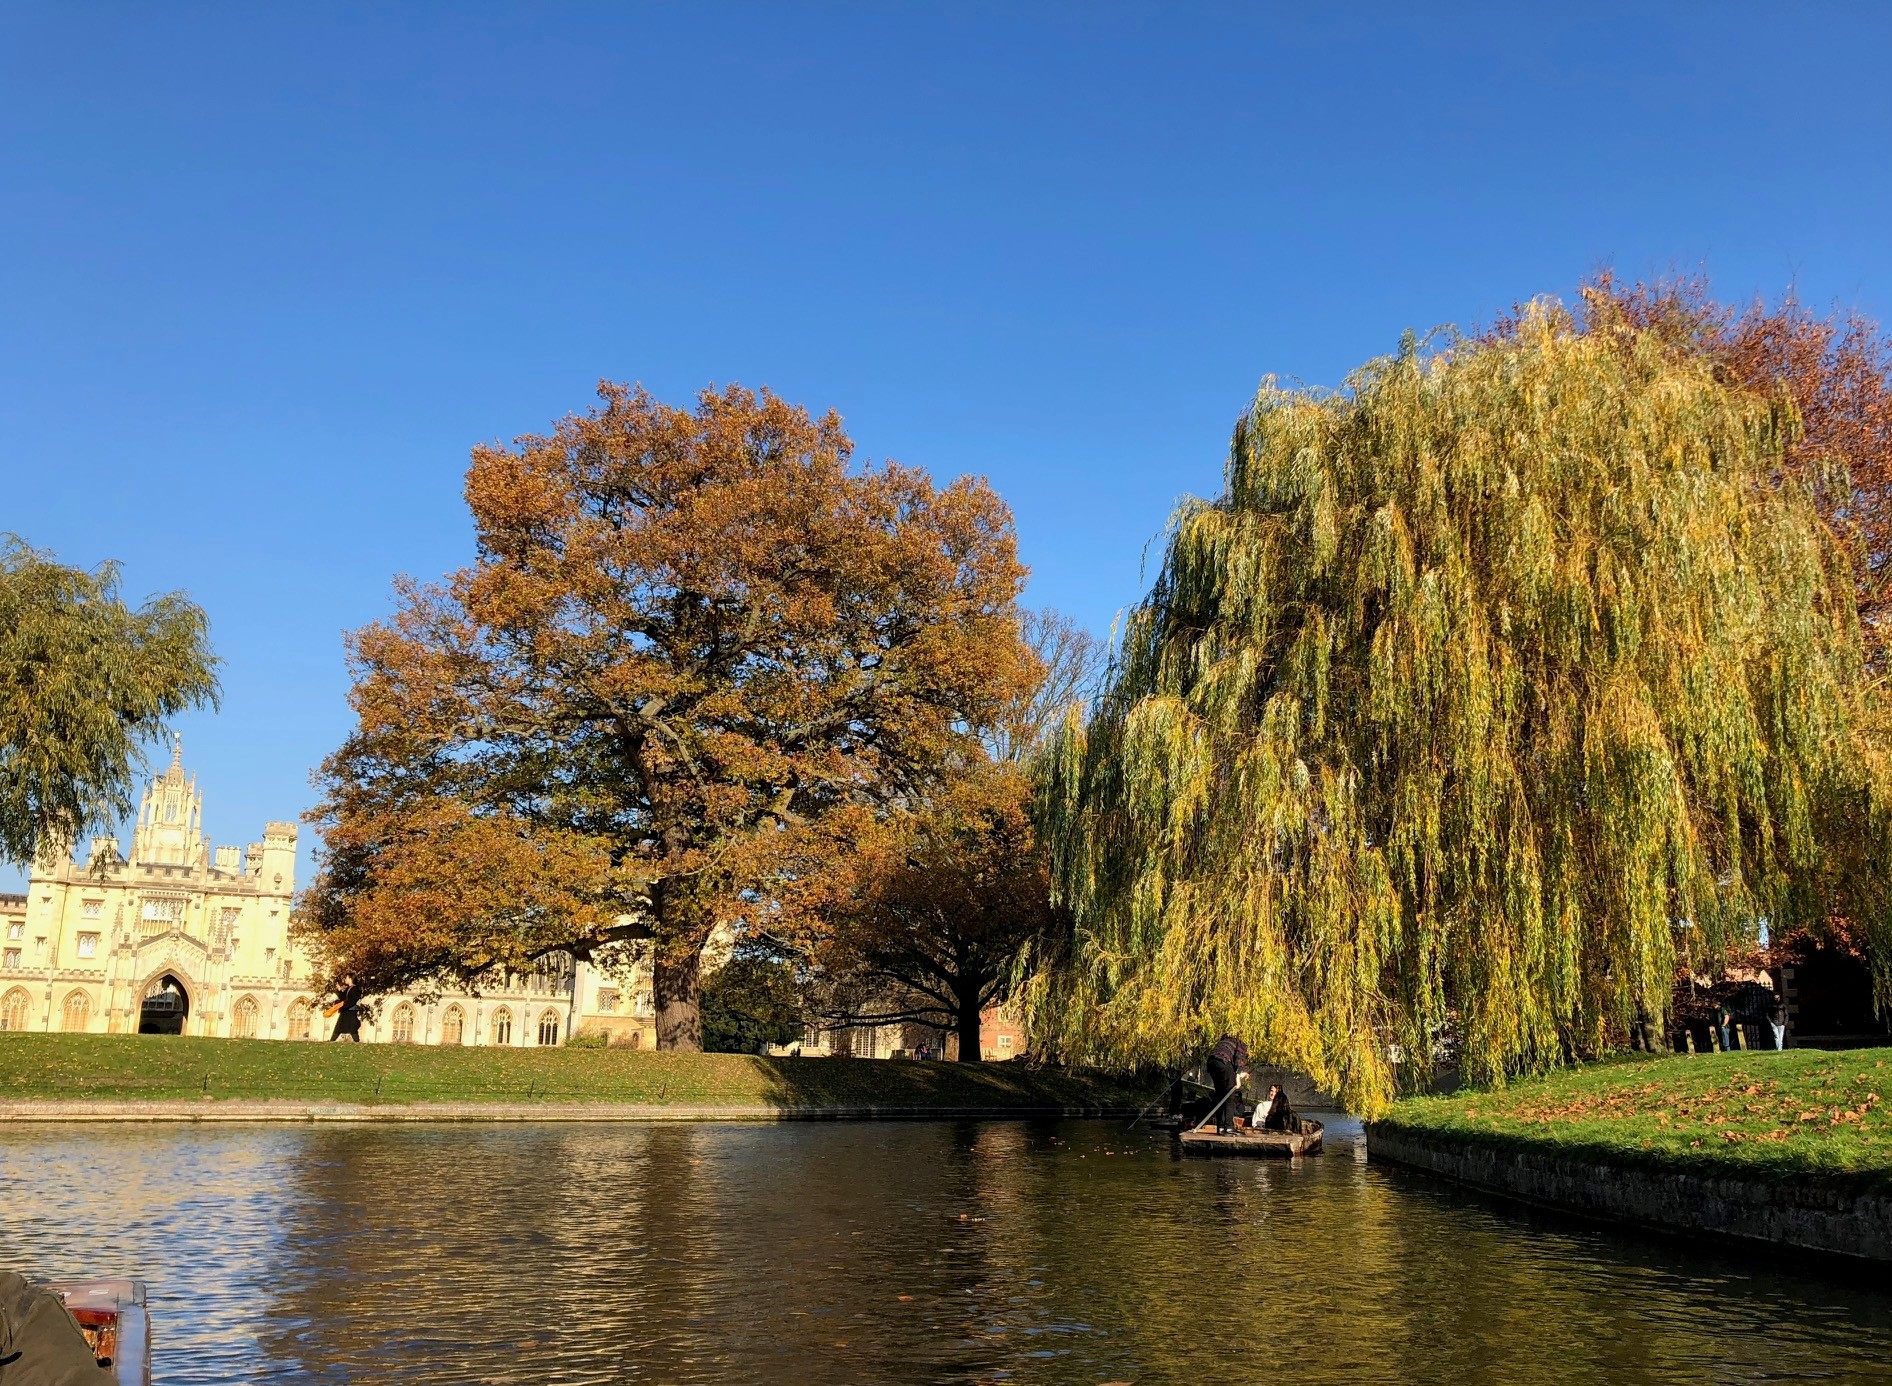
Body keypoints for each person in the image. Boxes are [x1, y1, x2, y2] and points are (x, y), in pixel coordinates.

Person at [1204, 1033, 1249, 1134]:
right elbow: (1239, 1058)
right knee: (1230, 1096)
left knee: (1220, 1094)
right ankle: (1228, 1126)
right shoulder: (1239, 1042)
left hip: (1211, 1063)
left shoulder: (1222, 1043)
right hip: (1224, 1062)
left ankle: (1220, 1127)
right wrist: (1238, 1076)